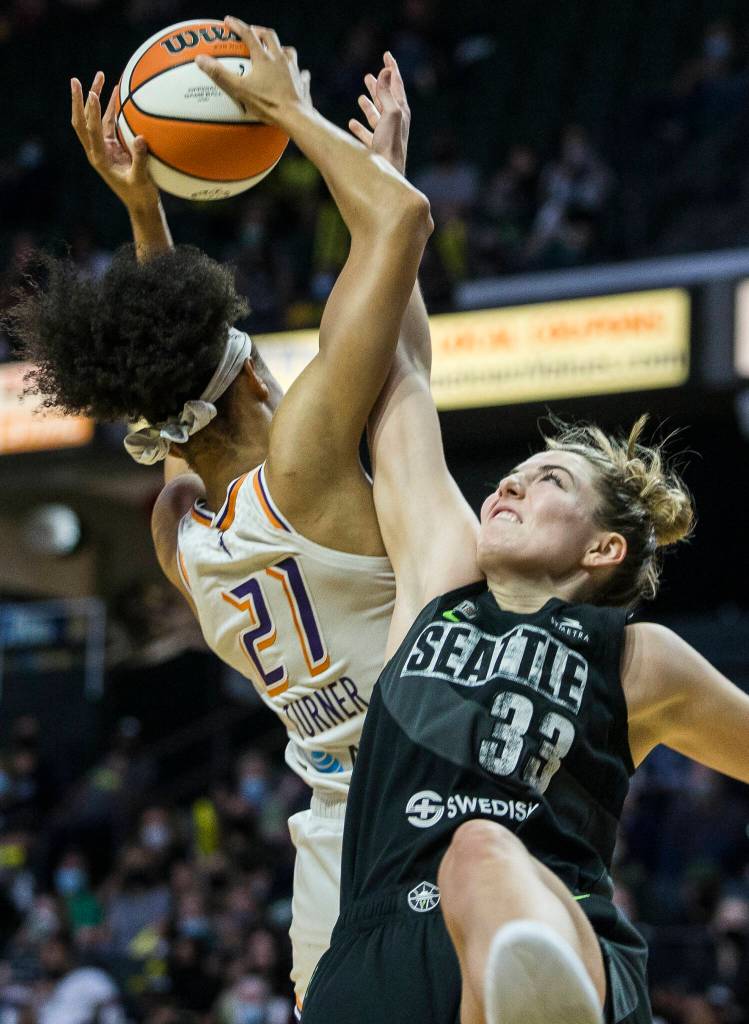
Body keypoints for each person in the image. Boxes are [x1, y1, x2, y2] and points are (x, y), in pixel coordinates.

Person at [8, 23, 432, 1012]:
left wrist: (146, 214)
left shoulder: (180, 535)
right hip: (434, 805)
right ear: (248, 388)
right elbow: (402, 226)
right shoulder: (304, 463)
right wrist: (292, 113)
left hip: (329, 849)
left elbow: (178, 387)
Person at [301, 369, 749, 1018]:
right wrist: (397, 258)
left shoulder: (633, 656)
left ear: (603, 546)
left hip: (553, 918)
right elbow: (396, 364)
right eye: (515, 473)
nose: (510, 483)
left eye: (550, 481)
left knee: (478, 849)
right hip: (375, 952)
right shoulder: (436, 590)